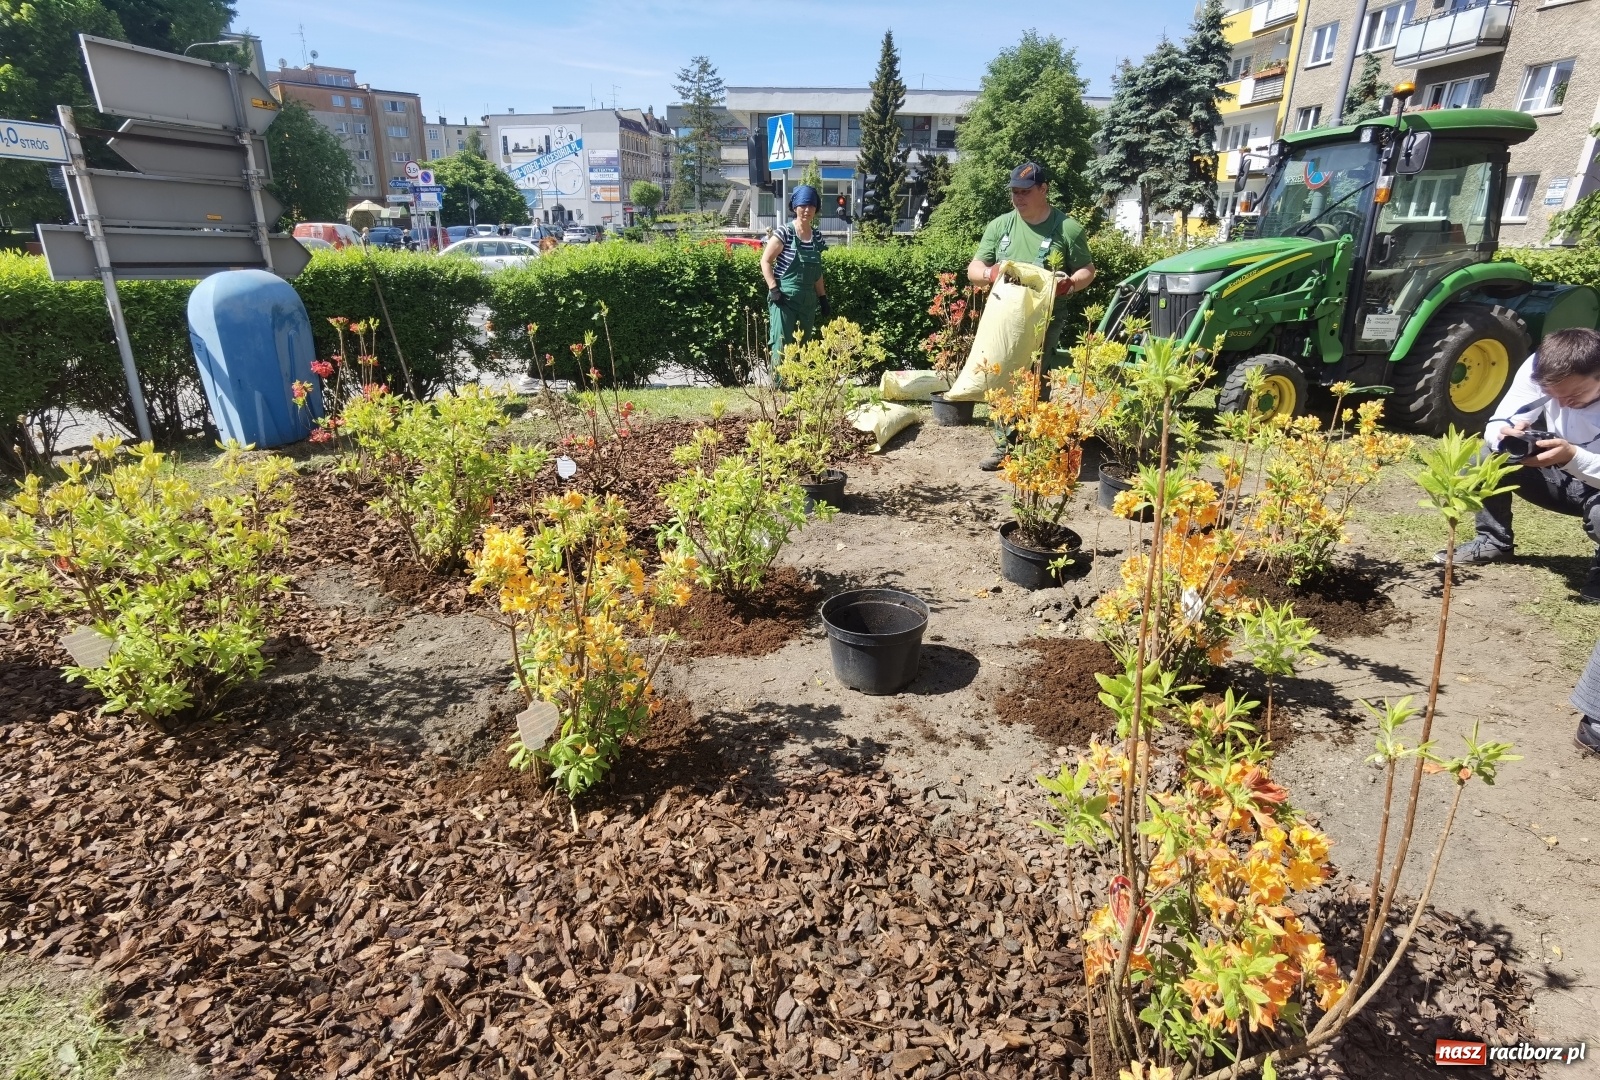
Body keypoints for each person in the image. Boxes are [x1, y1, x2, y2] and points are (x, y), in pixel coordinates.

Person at [1436, 327, 1600, 603]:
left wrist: (1573, 456)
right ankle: (1494, 541)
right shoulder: (1541, 366)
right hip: (1565, 474)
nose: (1562, 404)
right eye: (1552, 395)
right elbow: (1499, 421)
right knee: (1487, 456)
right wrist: (1508, 431)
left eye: (1573, 396)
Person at [966, 161, 1096, 470]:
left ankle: (1034, 443)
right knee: (1001, 374)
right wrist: (988, 271)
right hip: (1004, 317)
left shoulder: (1067, 228)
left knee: (1036, 377)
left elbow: (1087, 269)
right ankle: (1004, 446)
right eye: (1013, 192)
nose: (1018, 198)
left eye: (1025, 192)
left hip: (1045, 318)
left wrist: (1072, 283)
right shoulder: (1000, 226)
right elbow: (973, 270)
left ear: (1043, 189)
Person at [762, 184, 830, 369]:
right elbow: (765, 261)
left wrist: (822, 298)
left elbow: (817, 271)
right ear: (795, 207)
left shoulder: (816, 236)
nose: (807, 210)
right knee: (781, 343)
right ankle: (779, 388)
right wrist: (773, 289)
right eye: (803, 205)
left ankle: (799, 386)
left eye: (812, 206)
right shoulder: (784, 233)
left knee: (804, 344)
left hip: (807, 300)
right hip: (784, 299)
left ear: (816, 209)